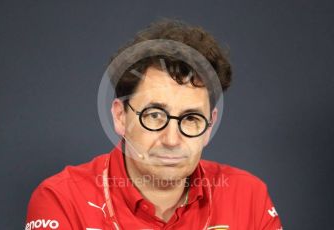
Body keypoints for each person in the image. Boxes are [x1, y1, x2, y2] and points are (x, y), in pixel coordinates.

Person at [25, 19, 283, 230]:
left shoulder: (249, 197)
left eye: (191, 119)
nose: (171, 140)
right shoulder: (61, 200)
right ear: (120, 117)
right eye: (154, 115)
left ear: (209, 126)